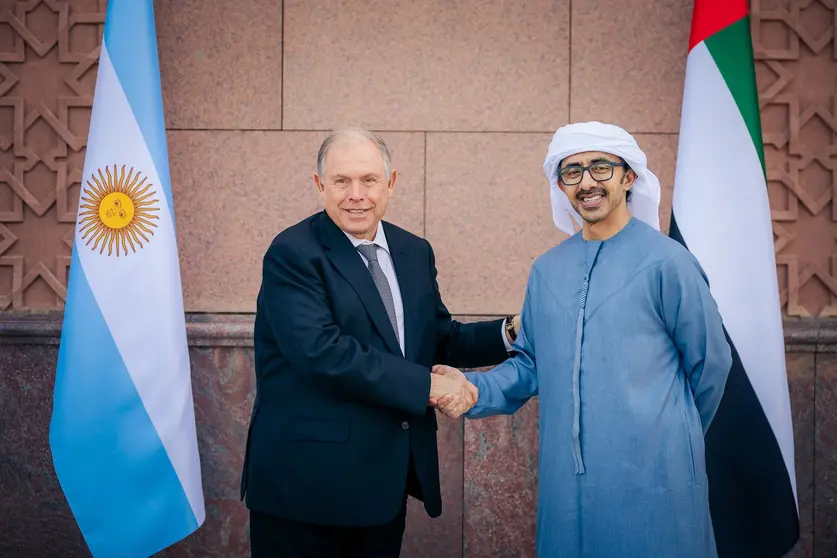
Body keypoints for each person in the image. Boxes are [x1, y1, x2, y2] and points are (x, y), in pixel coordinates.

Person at [433, 121, 733, 557]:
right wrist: (471, 388)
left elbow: (711, 365)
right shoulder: (548, 270)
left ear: (628, 177)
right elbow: (529, 364)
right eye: (572, 172)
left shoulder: (670, 264)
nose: (587, 182)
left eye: (600, 168)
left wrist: (672, 436)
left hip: (657, 481)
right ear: (561, 185)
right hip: (566, 488)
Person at [240, 128, 519, 557]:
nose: (356, 194)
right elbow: (321, 352)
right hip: (306, 488)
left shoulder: (414, 251)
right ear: (319, 187)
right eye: (341, 181)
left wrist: (511, 332)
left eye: (369, 180)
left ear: (391, 183)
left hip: (383, 484)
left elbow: (436, 338)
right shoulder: (293, 252)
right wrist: (427, 386)